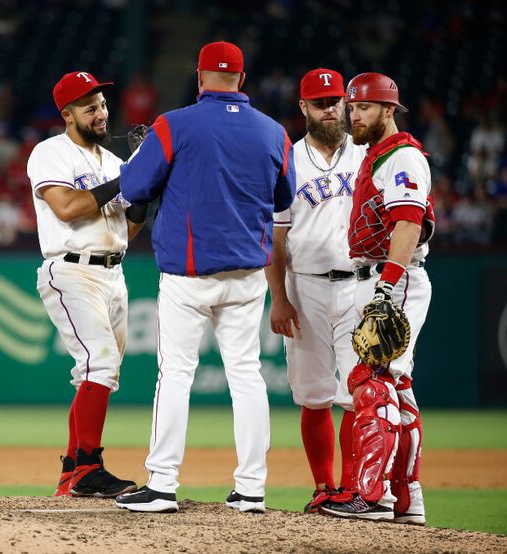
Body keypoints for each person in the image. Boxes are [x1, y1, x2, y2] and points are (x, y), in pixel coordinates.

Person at [113, 41, 295, 513]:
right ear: (242, 79)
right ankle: (252, 488)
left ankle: (162, 484)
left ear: (199, 78)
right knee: (247, 377)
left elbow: (133, 187)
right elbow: (283, 198)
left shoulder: (174, 124)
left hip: (188, 275)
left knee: (175, 374)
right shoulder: (275, 133)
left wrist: (146, 160)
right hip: (247, 277)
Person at [26, 71, 147, 498]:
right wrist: (126, 180)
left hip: (114, 271)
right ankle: (88, 468)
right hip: (72, 269)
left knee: (97, 375)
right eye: (89, 107)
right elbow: (67, 207)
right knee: (100, 364)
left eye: (102, 104)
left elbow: (128, 231)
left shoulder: (113, 162)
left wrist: (144, 186)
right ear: (67, 114)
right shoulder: (50, 152)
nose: (101, 113)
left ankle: (71, 472)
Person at [320, 73, 434, 525]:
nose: (354, 115)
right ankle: (407, 498)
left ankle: (373, 495)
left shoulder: (403, 156)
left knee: (371, 380)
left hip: (394, 278)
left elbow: (408, 223)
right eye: (352, 108)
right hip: (384, 276)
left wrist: (386, 286)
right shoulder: (380, 155)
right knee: (396, 389)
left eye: (364, 108)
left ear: (389, 110)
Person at [264, 68, 367, 514]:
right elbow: (276, 238)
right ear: (303, 107)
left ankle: (352, 490)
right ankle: (325, 486)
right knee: (312, 394)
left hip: (361, 284)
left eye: (335, 101)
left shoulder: (367, 153)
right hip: (304, 287)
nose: (330, 109)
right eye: (320, 103)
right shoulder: (288, 160)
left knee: (356, 393)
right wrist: (279, 297)